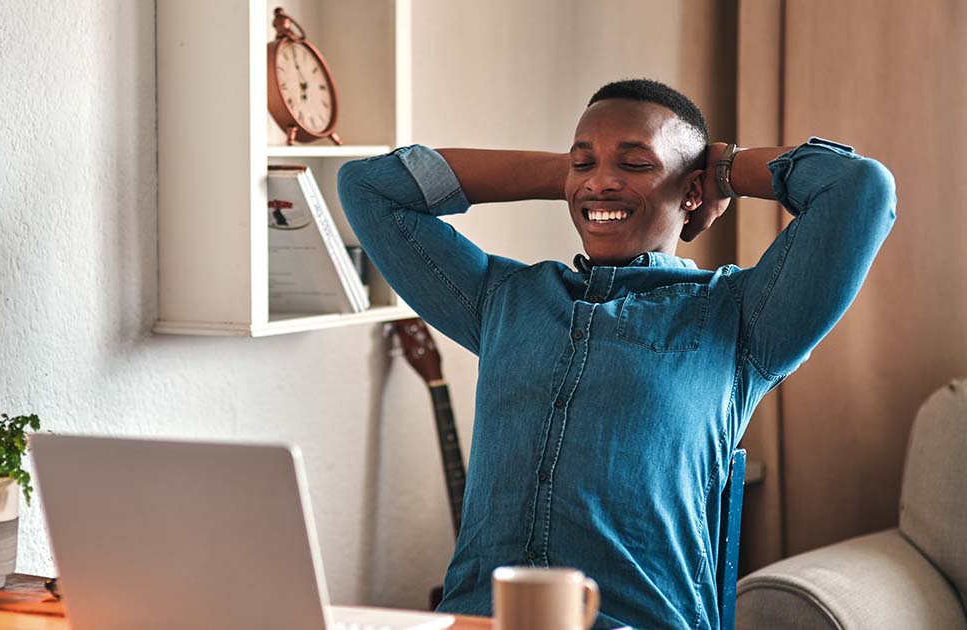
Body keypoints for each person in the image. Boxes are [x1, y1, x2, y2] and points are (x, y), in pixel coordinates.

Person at [337, 79, 895, 629]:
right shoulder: (504, 299)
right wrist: (573, 176)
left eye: (635, 164)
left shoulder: (742, 318)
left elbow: (858, 188)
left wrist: (724, 170)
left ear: (692, 190)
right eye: (584, 164)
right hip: (477, 621)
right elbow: (370, 186)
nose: (601, 184)